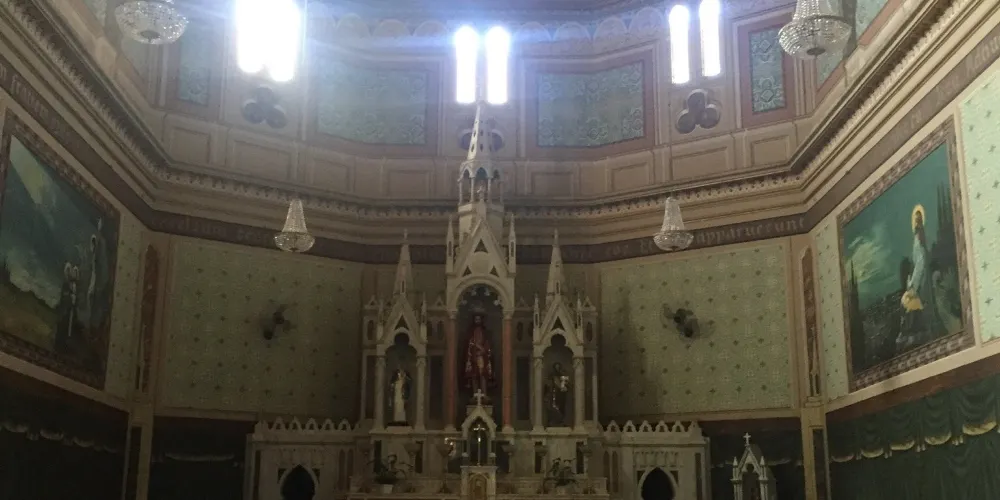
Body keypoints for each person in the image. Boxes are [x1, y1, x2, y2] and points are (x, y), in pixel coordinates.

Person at [463, 314, 494, 401]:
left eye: (479, 319)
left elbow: (487, 344)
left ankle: (484, 394)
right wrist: (474, 351)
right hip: (474, 357)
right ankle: (475, 394)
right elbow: (469, 345)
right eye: (476, 319)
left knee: (483, 375)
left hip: (482, 357)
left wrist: (483, 350)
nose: (477, 321)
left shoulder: (485, 332)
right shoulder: (471, 333)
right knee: (474, 375)